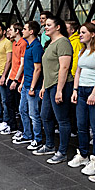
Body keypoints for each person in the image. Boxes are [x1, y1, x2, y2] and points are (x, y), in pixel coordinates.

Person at [40, 18, 75, 164]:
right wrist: (43, 86)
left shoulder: (63, 43)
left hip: (59, 85)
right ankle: (49, 145)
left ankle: (62, 151)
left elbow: (64, 67)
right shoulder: (51, 44)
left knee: (62, 119)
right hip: (49, 85)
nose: (45, 27)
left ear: (58, 27)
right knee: (45, 115)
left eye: (49, 25)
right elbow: (47, 68)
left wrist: (59, 90)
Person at [71, 22, 95, 175]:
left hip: (93, 90)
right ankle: (83, 154)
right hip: (82, 90)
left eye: (83, 32)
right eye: (80, 32)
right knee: (81, 124)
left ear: (93, 34)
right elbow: (78, 71)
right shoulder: (82, 51)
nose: (80, 34)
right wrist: (75, 90)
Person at [17, 21, 44, 149]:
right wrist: (22, 83)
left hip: (33, 86)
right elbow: (27, 68)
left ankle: (37, 138)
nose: (23, 31)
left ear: (31, 31)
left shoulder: (37, 47)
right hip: (26, 84)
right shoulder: (28, 46)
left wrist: (32, 87)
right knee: (23, 110)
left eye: (25, 29)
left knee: (34, 114)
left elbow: (37, 69)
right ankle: (27, 134)